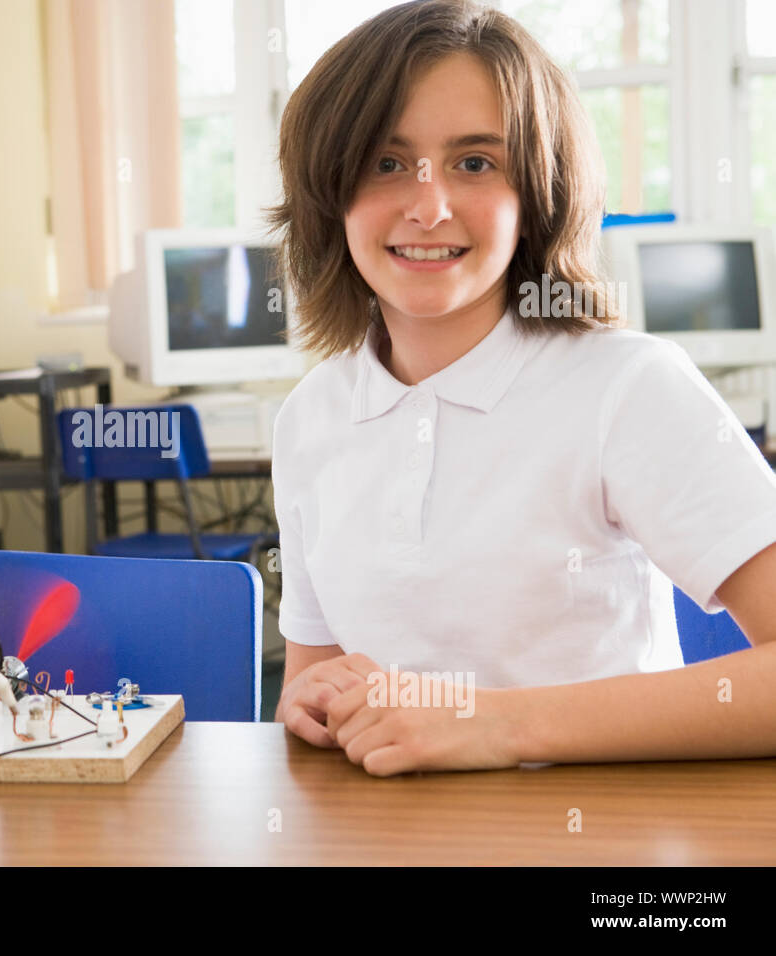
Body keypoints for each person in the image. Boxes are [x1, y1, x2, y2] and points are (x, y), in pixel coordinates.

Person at [269, 0, 776, 775]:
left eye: (476, 163)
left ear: (536, 191)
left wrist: (491, 726)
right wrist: (313, 702)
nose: (428, 206)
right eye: (386, 161)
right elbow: (313, 679)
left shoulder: (628, 386)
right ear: (328, 191)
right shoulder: (310, 418)